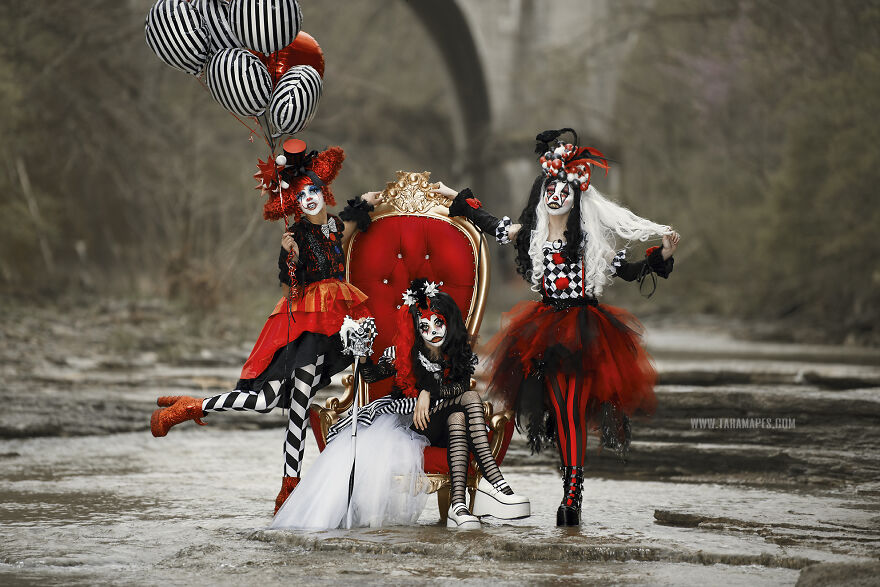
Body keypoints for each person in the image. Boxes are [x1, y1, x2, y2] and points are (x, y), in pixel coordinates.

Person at [435, 128, 680, 526]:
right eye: (549, 189)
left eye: (563, 190)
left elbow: (634, 271)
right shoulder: (532, 237)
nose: (555, 196)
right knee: (562, 414)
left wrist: (664, 252)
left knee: (571, 410)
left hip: (586, 331)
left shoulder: (591, 246)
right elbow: (492, 224)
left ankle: (572, 494)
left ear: (576, 197)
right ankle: (571, 488)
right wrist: (457, 199)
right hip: (544, 332)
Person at [150, 139, 383, 513]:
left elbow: (363, 208)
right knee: (268, 402)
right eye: (301, 194)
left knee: (295, 407)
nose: (308, 198)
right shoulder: (298, 237)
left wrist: (377, 197)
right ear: (294, 203)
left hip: (336, 324)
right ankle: (190, 406)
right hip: (305, 326)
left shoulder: (339, 227)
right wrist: (289, 254)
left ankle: (287, 490)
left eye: (313, 191)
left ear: (324, 192)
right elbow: (293, 285)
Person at [272, 279, 530, 530]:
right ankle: (495, 483)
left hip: (443, 424)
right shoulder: (403, 354)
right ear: (415, 328)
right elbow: (372, 377)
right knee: (471, 400)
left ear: (449, 323)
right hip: (413, 425)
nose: (433, 332)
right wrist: (361, 354)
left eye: (438, 323)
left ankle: (458, 506)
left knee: (459, 418)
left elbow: (460, 387)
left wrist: (428, 392)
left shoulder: (457, 355)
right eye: (425, 326)